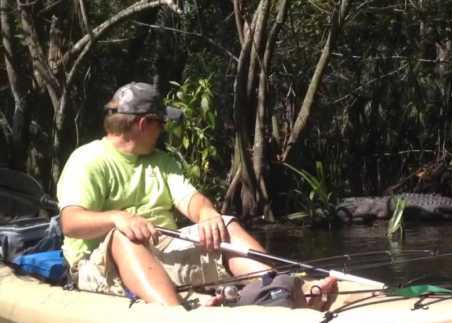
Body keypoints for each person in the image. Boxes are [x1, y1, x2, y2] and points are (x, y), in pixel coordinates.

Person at [57, 82, 336, 307]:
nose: (164, 129)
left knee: (225, 224)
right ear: (143, 124)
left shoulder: (162, 161)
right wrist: (118, 218)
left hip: (163, 253)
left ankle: (277, 291)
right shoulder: (88, 160)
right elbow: (70, 223)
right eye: (160, 123)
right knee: (123, 235)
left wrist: (206, 213)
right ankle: (176, 316)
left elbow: (191, 199)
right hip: (100, 265)